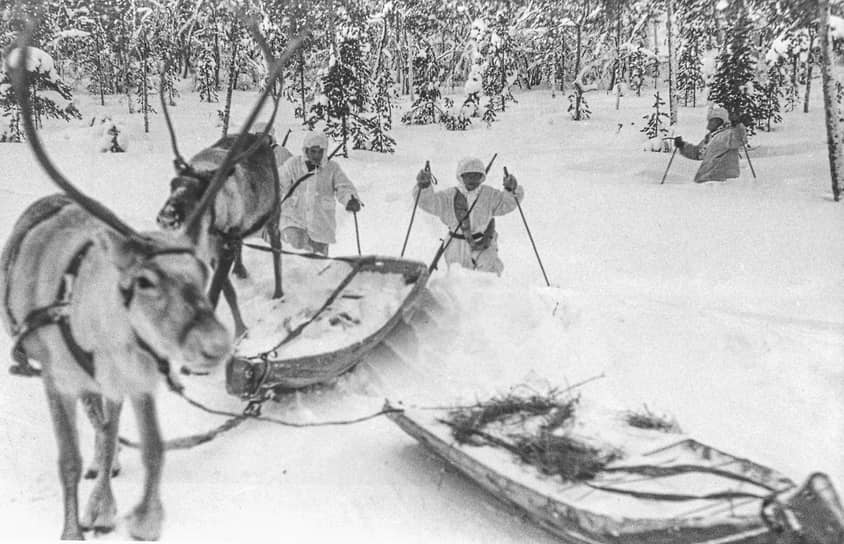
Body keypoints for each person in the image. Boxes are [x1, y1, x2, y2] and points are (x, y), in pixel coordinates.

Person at [414, 156, 524, 275]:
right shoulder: (449, 196)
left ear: (482, 177)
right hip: (456, 245)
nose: (472, 179)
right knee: (458, 281)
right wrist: (424, 187)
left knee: (489, 274)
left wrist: (510, 189)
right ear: (461, 176)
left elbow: (507, 204)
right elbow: (429, 203)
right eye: (468, 175)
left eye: (476, 175)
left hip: (484, 241)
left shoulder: (489, 194)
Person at [276, 132, 361, 255]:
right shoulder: (293, 165)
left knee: (318, 266)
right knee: (295, 254)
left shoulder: (332, 169)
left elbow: (344, 187)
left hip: (321, 226)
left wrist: (350, 199)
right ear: (306, 150)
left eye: (320, 152)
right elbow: (277, 183)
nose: (316, 155)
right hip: (293, 219)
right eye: (313, 151)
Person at [673, 106, 749, 183]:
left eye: (711, 121)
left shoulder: (728, 134)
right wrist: (682, 145)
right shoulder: (710, 137)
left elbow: (740, 139)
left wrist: (738, 125)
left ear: (719, 121)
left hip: (722, 181)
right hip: (708, 180)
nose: (708, 124)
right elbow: (698, 153)